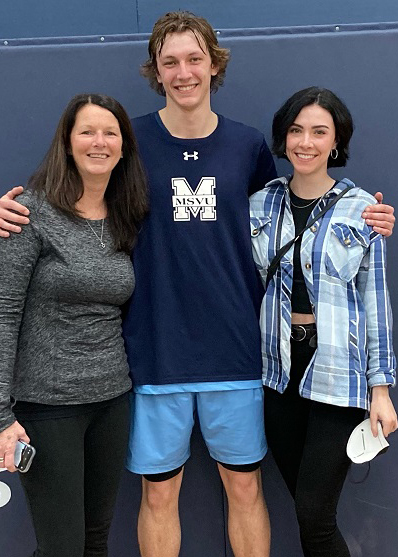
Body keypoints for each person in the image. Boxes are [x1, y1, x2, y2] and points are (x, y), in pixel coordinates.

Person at [0, 12, 395, 557]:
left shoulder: (248, 145)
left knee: (244, 486)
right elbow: (78, 199)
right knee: (158, 494)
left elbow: (288, 210)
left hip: (237, 352)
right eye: (170, 62)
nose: (184, 72)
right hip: (153, 351)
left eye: (194, 59)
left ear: (214, 64)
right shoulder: (127, 140)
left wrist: (361, 213)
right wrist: (12, 213)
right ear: (156, 72)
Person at [250, 86, 397, 557]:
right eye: (296, 130)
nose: (306, 142)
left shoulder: (362, 211)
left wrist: (381, 388)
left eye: (319, 132)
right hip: (277, 373)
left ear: (335, 142)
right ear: (284, 137)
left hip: (338, 374)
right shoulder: (259, 204)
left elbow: (376, 304)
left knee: (314, 515)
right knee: (307, 510)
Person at [0, 93, 148, 557]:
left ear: (123, 147)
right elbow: (3, 314)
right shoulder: (29, 212)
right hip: (47, 408)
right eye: (87, 131)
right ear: (67, 143)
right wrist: (1, 416)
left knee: (95, 540)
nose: (98, 142)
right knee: (61, 547)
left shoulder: (127, 216)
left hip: (111, 402)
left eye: (110, 133)